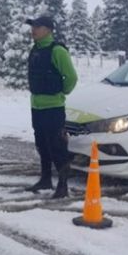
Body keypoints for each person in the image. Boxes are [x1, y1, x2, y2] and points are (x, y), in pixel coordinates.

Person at [24, 15, 78, 198]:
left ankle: (62, 186)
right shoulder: (36, 49)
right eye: (32, 27)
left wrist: (61, 93)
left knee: (57, 146)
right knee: (42, 145)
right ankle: (45, 179)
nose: (33, 30)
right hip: (37, 106)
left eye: (37, 27)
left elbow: (71, 77)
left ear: (48, 30)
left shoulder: (57, 51)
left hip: (53, 108)